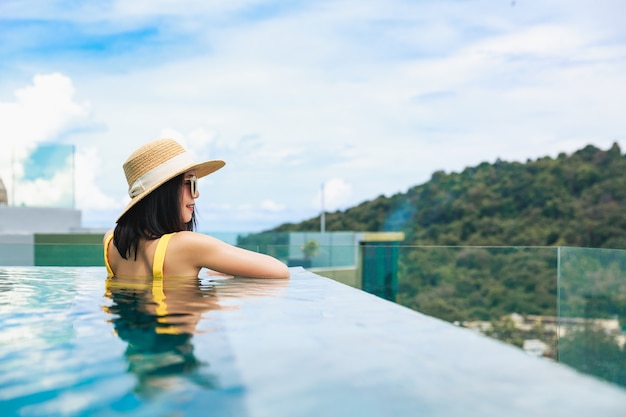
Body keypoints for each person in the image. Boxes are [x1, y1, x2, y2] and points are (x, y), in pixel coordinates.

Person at [103, 138, 290, 279]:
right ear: (164, 192)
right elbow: (280, 272)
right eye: (189, 183)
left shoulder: (110, 242)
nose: (196, 194)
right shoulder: (187, 245)